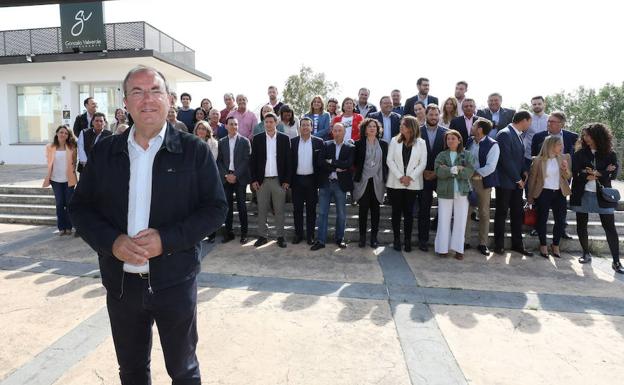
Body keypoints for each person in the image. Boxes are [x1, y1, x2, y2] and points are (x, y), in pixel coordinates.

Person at [69, 65, 227, 385]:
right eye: (137, 92)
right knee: (131, 371)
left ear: (169, 99)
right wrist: (112, 242)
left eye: (155, 91)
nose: (147, 99)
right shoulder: (105, 152)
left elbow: (215, 209)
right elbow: (80, 209)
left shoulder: (193, 151)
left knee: (183, 371)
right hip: (122, 286)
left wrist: (165, 240)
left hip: (175, 283)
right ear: (125, 102)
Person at [570, 123, 622, 273]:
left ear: (597, 136)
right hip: (583, 193)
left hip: (603, 195)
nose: (585, 138)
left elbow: (613, 173)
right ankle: (586, 253)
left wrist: (595, 173)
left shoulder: (610, 153)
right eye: (584, 135)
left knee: (610, 228)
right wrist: (602, 171)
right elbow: (576, 174)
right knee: (581, 224)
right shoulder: (579, 154)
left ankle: (616, 261)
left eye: (588, 135)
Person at [530, 111, 578, 239]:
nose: (549, 123)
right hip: (544, 180)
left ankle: (562, 230)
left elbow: (575, 156)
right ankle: (537, 228)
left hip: (563, 177)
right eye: (548, 121)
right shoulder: (538, 137)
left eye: (552, 121)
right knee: (541, 209)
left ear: (561, 124)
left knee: (561, 211)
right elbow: (534, 156)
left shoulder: (572, 137)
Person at [493, 110, 534, 256]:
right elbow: (506, 159)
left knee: (517, 214)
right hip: (506, 183)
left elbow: (519, 158)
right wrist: (518, 179)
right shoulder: (505, 133)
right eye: (530, 122)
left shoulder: (518, 135)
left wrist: (524, 171)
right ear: (524, 120)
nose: (530, 125)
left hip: (517, 184)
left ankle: (518, 245)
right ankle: (499, 245)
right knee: (501, 213)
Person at [386, 116, 427, 251]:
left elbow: (423, 163)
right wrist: (400, 176)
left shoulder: (421, 143)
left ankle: (407, 240)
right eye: (401, 125)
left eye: (403, 125)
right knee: (396, 212)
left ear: (411, 127)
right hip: (395, 183)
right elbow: (389, 160)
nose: (401, 127)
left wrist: (410, 177)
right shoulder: (394, 140)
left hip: (412, 184)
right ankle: (397, 239)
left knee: (409, 213)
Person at [250, 112, 291, 248]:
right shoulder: (257, 139)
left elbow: (288, 162)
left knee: (279, 210)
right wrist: (254, 179)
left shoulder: (284, 139)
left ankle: (280, 236)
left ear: (276, 123)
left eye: (271, 122)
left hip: (279, 181)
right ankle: (262, 236)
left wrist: (286, 180)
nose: (268, 124)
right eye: (266, 122)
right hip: (262, 181)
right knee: (262, 210)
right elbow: (253, 161)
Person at [527, 136, 571, 258]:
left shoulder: (565, 158)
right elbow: (532, 180)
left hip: (559, 193)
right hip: (543, 193)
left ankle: (555, 244)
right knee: (542, 219)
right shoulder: (538, 160)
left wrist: (565, 169)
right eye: (559, 145)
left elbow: (568, 176)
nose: (561, 147)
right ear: (551, 145)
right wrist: (529, 197)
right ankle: (543, 245)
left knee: (561, 221)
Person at [311, 122, 354, 250]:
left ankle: (340, 238)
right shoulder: (326, 144)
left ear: (344, 132)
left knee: (341, 214)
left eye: (339, 131)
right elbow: (320, 162)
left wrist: (331, 162)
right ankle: (321, 240)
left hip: (341, 185)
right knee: (323, 213)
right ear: (332, 132)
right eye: (335, 131)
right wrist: (336, 168)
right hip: (326, 183)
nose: (337, 133)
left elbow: (348, 164)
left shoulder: (350, 147)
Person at [434, 130, 475, 260]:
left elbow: (469, 172)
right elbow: (438, 171)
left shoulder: (467, 155)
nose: (450, 141)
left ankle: (458, 249)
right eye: (448, 139)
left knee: (461, 220)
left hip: (462, 191)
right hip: (444, 191)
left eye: (453, 138)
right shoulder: (441, 155)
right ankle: (442, 248)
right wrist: (456, 169)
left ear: (459, 140)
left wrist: (449, 169)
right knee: (443, 220)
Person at [465, 118, 500, 255]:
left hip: (483, 182)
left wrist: (475, 173)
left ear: (480, 129)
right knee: (466, 212)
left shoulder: (493, 145)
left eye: (474, 125)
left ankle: (483, 243)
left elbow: (491, 167)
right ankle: (465, 241)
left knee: (484, 213)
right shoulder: (469, 141)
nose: (472, 127)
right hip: (467, 181)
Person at [353, 118, 388, 248]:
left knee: (375, 210)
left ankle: (374, 237)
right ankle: (362, 238)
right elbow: (355, 162)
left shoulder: (384, 144)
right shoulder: (358, 144)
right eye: (369, 126)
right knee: (363, 210)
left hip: (378, 181)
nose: (372, 128)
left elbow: (385, 163)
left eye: (374, 126)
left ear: (378, 129)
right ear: (365, 130)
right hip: (363, 180)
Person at [417, 104, 447, 251]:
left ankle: (440, 239)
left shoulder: (447, 133)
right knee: (424, 209)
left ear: (439, 116)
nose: (434, 117)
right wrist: (421, 171)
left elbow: (449, 156)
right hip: (422, 176)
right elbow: (413, 154)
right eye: (431, 115)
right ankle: (423, 240)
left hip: (440, 176)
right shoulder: (417, 132)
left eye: (436, 115)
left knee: (444, 209)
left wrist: (436, 172)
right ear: (426, 115)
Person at [290, 117, 324, 245]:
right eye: (302, 125)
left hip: (312, 181)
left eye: (307, 125)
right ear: (299, 127)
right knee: (297, 209)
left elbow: (321, 163)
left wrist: (320, 181)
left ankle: (310, 235)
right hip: (297, 180)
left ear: (311, 127)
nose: (305, 127)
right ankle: (298, 234)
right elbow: (289, 163)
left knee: (311, 210)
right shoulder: (293, 142)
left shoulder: (319, 142)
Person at [217, 117, 251, 244]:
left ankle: (244, 234)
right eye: (231, 124)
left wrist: (235, 175)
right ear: (226, 126)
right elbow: (219, 161)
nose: (234, 127)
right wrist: (226, 175)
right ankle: (229, 233)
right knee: (228, 207)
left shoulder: (245, 141)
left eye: (236, 124)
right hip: (226, 179)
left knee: (242, 207)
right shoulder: (221, 142)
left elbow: (246, 160)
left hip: (240, 178)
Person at [43, 125, 78, 235]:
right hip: (55, 180)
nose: (63, 134)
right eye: (61, 132)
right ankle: (61, 227)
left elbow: (74, 162)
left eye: (66, 133)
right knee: (59, 204)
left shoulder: (72, 147)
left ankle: (69, 227)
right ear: (57, 133)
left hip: (69, 180)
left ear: (68, 136)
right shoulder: (50, 147)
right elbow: (49, 162)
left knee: (69, 203)